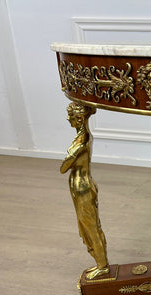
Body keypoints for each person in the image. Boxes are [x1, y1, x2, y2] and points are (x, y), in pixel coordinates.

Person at [60, 102, 109, 280]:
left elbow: (63, 168)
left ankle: (102, 266)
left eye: (71, 115)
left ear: (80, 118)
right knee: (88, 226)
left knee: (91, 228)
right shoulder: (83, 137)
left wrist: (70, 155)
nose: (68, 118)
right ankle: (100, 263)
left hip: (82, 188)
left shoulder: (82, 142)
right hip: (80, 187)